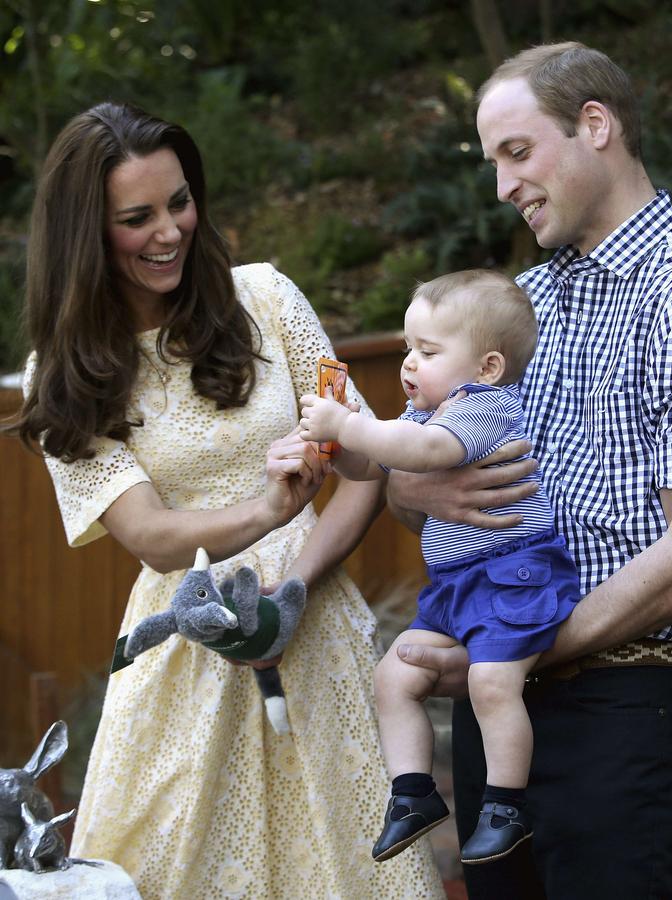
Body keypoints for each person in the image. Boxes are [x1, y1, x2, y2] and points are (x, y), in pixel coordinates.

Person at [5, 102, 445, 900]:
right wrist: (266, 513)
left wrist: (294, 588)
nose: (169, 231)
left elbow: (367, 468)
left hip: (315, 631)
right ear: (85, 235)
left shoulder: (268, 299)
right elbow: (151, 536)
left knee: (345, 868)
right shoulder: (60, 376)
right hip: (186, 648)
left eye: (179, 202)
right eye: (136, 218)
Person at [386, 42, 672, 900]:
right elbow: (421, 482)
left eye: (517, 152)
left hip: (617, 702)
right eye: (492, 160)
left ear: (596, 126)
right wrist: (409, 486)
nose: (501, 186)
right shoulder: (517, 306)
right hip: (497, 697)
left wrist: (520, 654)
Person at [298, 269, 580, 866]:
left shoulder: (484, 409)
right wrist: (331, 447)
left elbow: (424, 455)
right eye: (407, 347)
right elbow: (374, 469)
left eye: (427, 351)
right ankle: (413, 793)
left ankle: (506, 804)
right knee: (393, 676)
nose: (408, 363)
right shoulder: (423, 413)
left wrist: (350, 425)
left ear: (487, 367)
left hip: (514, 577)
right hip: (458, 588)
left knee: (490, 682)